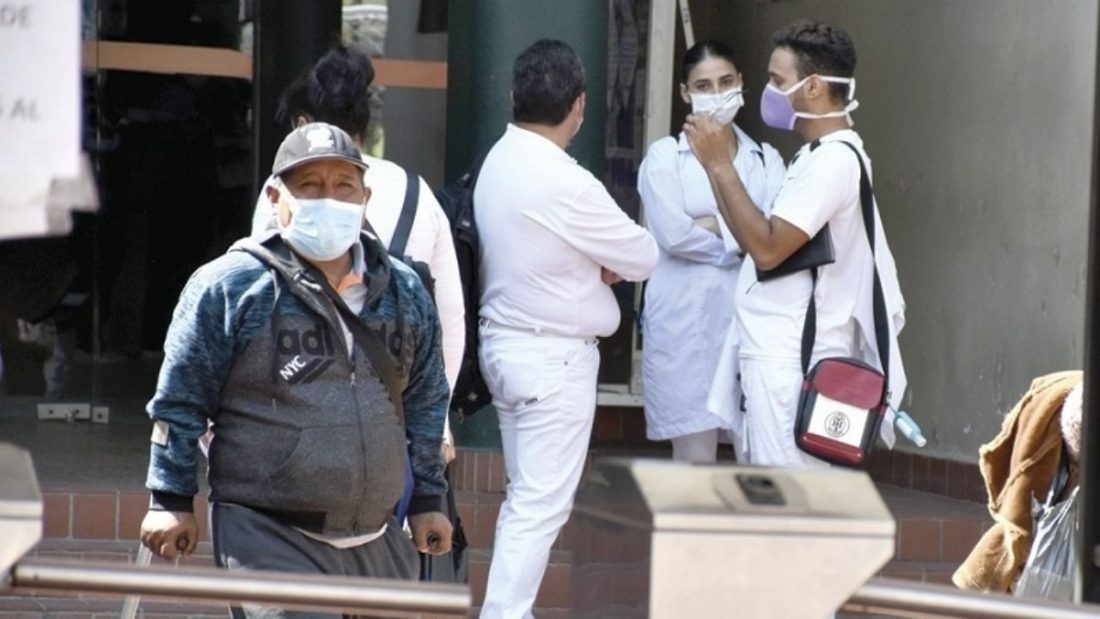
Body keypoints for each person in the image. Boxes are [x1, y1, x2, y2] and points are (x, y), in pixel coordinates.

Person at [140, 122, 453, 618]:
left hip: (377, 535)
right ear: (274, 196)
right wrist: (170, 498)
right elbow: (180, 400)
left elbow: (427, 400)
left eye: (343, 185)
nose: (329, 199)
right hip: (268, 532)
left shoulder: (405, 290)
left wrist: (429, 497)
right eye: (309, 185)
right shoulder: (230, 287)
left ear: (365, 198)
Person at [475, 39, 658, 618]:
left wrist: (596, 258)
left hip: (507, 347)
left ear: (514, 96)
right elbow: (643, 254)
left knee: (525, 499)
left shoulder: (498, 158)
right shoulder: (566, 181)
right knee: (539, 506)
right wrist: (603, 261)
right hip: (551, 360)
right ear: (579, 106)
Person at [684, 20, 906, 467]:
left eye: (777, 80)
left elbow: (768, 250)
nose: (769, 91)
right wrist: (715, 166)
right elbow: (756, 240)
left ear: (814, 87)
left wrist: (720, 165)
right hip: (782, 359)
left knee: (786, 497)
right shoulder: (815, 156)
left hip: (795, 365)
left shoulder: (833, 162)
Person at [252, 44, 464, 462]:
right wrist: (435, 421)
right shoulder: (418, 194)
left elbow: (257, 301)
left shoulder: (282, 193)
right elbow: (449, 321)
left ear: (303, 124)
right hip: (394, 417)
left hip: (300, 418)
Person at [638, 40, 785, 464]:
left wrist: (709, 223)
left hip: (752, 323)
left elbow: (778, 236)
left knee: (757, 453)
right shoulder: (664, 158)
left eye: (725, 82)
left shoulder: (766, 160)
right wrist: (745, 234)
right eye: (703, 86)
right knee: (693, 459)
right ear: (685, 93)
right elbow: (673, 235)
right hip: (686, 325)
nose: (716, 93)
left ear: (741, 82)